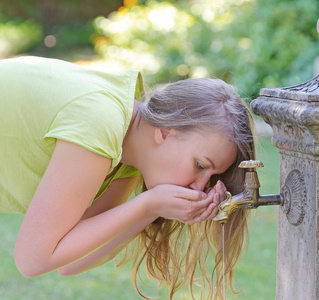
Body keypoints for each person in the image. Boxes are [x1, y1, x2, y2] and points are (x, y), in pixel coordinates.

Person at [0, 56, 256, 299]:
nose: (200, 186)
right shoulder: (102, 123)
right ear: (166, 132)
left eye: (212, 177)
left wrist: (152, 209)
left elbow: (70, 261)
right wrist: (147, 204)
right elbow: (32, 259)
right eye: (200, 165)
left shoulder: (128, 155)